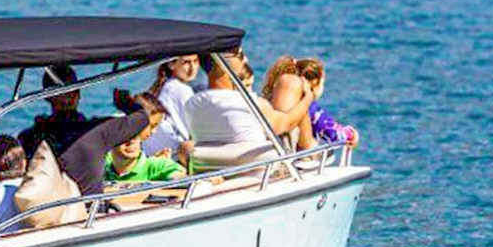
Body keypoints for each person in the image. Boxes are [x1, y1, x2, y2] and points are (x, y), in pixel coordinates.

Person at [183, 50, 314, 154]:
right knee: (291, 82)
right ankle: (310, 153)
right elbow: (287, 123)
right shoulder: (251, 103)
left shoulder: (192, 104)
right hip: (262, 172)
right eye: (239, 55)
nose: (245, 59)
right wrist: (308, 96)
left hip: (214, 169)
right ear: (222, 65)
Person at [56, 92, 164, 196]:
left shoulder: (85, 131)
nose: (153, 131)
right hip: (88, 207)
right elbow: (142, 118)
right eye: (152, 126)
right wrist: (125, 102)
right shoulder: (104, 133)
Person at [262, 56, 360, 150]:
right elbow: (333, 133)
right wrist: (350, 134)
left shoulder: (272, 99)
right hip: (293, 154)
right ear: (315, 84)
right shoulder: (312, 108)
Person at [18, 65, 92, 158]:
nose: (68, 97)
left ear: (79, 94)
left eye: (73, 90)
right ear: (47, 97)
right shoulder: (30, 137)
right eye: (61, 93)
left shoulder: (92, 129)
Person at [140, 55, 199, 156]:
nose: (193, 68)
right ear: (171, 64)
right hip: (173, 152)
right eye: (186, 62)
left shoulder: (162, 85)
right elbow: (196, 128)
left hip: (152, 151)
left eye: (195, 61)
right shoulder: (181, 89)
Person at [105, 128, 186, 185]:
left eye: (135, 137)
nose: (131, 141)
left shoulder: (157, 165)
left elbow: (180, 176)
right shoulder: (101, 167)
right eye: (124, 138)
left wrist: (175, 178)